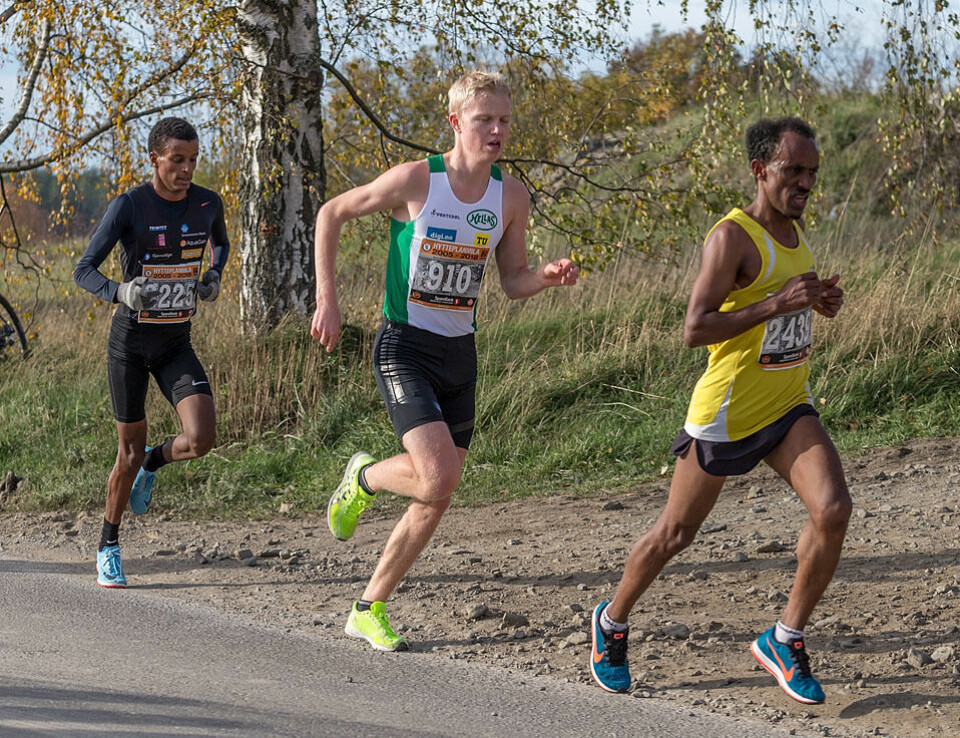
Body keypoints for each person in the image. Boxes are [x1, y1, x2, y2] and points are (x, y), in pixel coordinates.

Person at [310, 71, 579, 651]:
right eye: (485, 119)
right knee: (438, 476)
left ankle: (368, 605)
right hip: (404, 345)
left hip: (461, 352)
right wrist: (327, 299)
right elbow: (330, 213)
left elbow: (511, 280)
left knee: (439, 493)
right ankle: (363, 477)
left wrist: (545, 279)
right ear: (456, 123)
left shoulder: (510, 194)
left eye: (505, 119)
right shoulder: (417, 181)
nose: (498, 130)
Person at [590, 117, 851, 705]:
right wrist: (777, 302)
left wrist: (815, 301)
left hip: (786, 402)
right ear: (761, 170)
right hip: (727, 413)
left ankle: (785, 638)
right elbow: (695, 328)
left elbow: (783, 301)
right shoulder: (731, 237)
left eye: (813, 172)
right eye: (794, 171)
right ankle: (611, 622)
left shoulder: (795, 230)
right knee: (675, 534)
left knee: (833, 508)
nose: (806, 182)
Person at [74, 117, 229, 588]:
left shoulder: (207, 203)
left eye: (193, 160)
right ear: (154, 159)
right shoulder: (130, 205)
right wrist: (121, 293)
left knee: (202, 438)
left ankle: (155, 462)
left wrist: (214, 277)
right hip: (131, 344)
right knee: (127, 452)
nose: (186, 170)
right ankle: (108, 544)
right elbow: (83, 270)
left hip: (175, 342)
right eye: (177, 160)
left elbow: (220, 244)